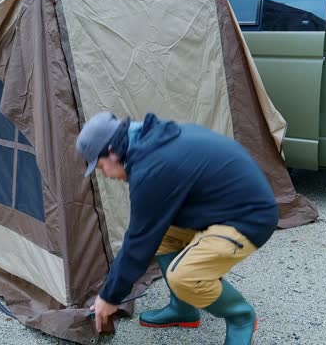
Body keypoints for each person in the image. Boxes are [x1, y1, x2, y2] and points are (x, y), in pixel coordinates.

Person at [76, 112, 279, 344]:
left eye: (101, 166)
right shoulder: (150, 141)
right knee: (161, 234)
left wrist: (108, 297)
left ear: (112, 151)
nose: (106, 175)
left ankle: (240, 316)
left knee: (184, 276)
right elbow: (146, 234)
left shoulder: (150, 168)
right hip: (222, 206)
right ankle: (183, 308)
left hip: (249, 216)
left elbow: (136, 244)